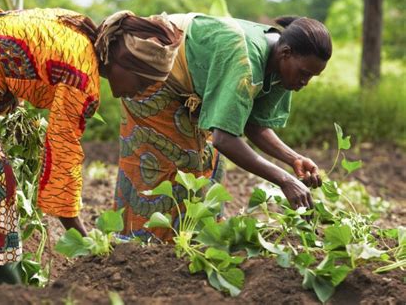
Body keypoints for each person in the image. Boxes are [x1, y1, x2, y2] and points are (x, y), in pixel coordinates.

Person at [0, 0, 182, 284]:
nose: (141, 92)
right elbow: (63, 158)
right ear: (126, 64)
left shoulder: (80, 29)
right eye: (144, 82)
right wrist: (85, 240)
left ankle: (9, 290)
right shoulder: (82, 75)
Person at [115, 13, 331, 241]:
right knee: (167, 164)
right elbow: (225, 138)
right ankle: (140, 247)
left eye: (312, 77)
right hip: (152, 71)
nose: (305, 82)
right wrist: (285, 180)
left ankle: (196, 242)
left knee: (210, 164)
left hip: (191, 90)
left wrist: (293, 159)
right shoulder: (245, 60)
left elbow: (255, 125)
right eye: (304, 73)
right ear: (286, 53)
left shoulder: (282, 67)